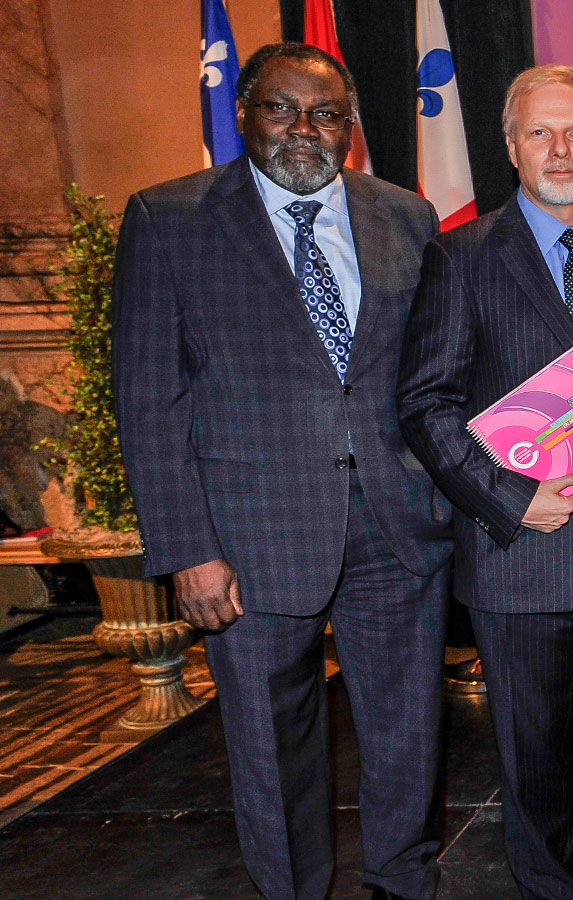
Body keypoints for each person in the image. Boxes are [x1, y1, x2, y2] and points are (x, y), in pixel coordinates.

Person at [113, 42, 449, 900]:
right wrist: (187, 549)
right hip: (245, 541)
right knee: (272, 747)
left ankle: (403, 882)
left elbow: (430, 373)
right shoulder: (170, 218)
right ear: (244, 114)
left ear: (353, 129)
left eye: (327, 113)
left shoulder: (406, 215)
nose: (305, 129)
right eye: (281, 108)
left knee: (408, 736)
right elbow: (151, 402)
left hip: (395, 526)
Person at [397, 64, 573, 900]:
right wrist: (512, 498)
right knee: (535, 754)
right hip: (521, 550)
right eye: (541, 133)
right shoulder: (462, 255)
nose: (561, 149)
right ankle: (550, 888)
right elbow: (425, 404)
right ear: (511, 147)